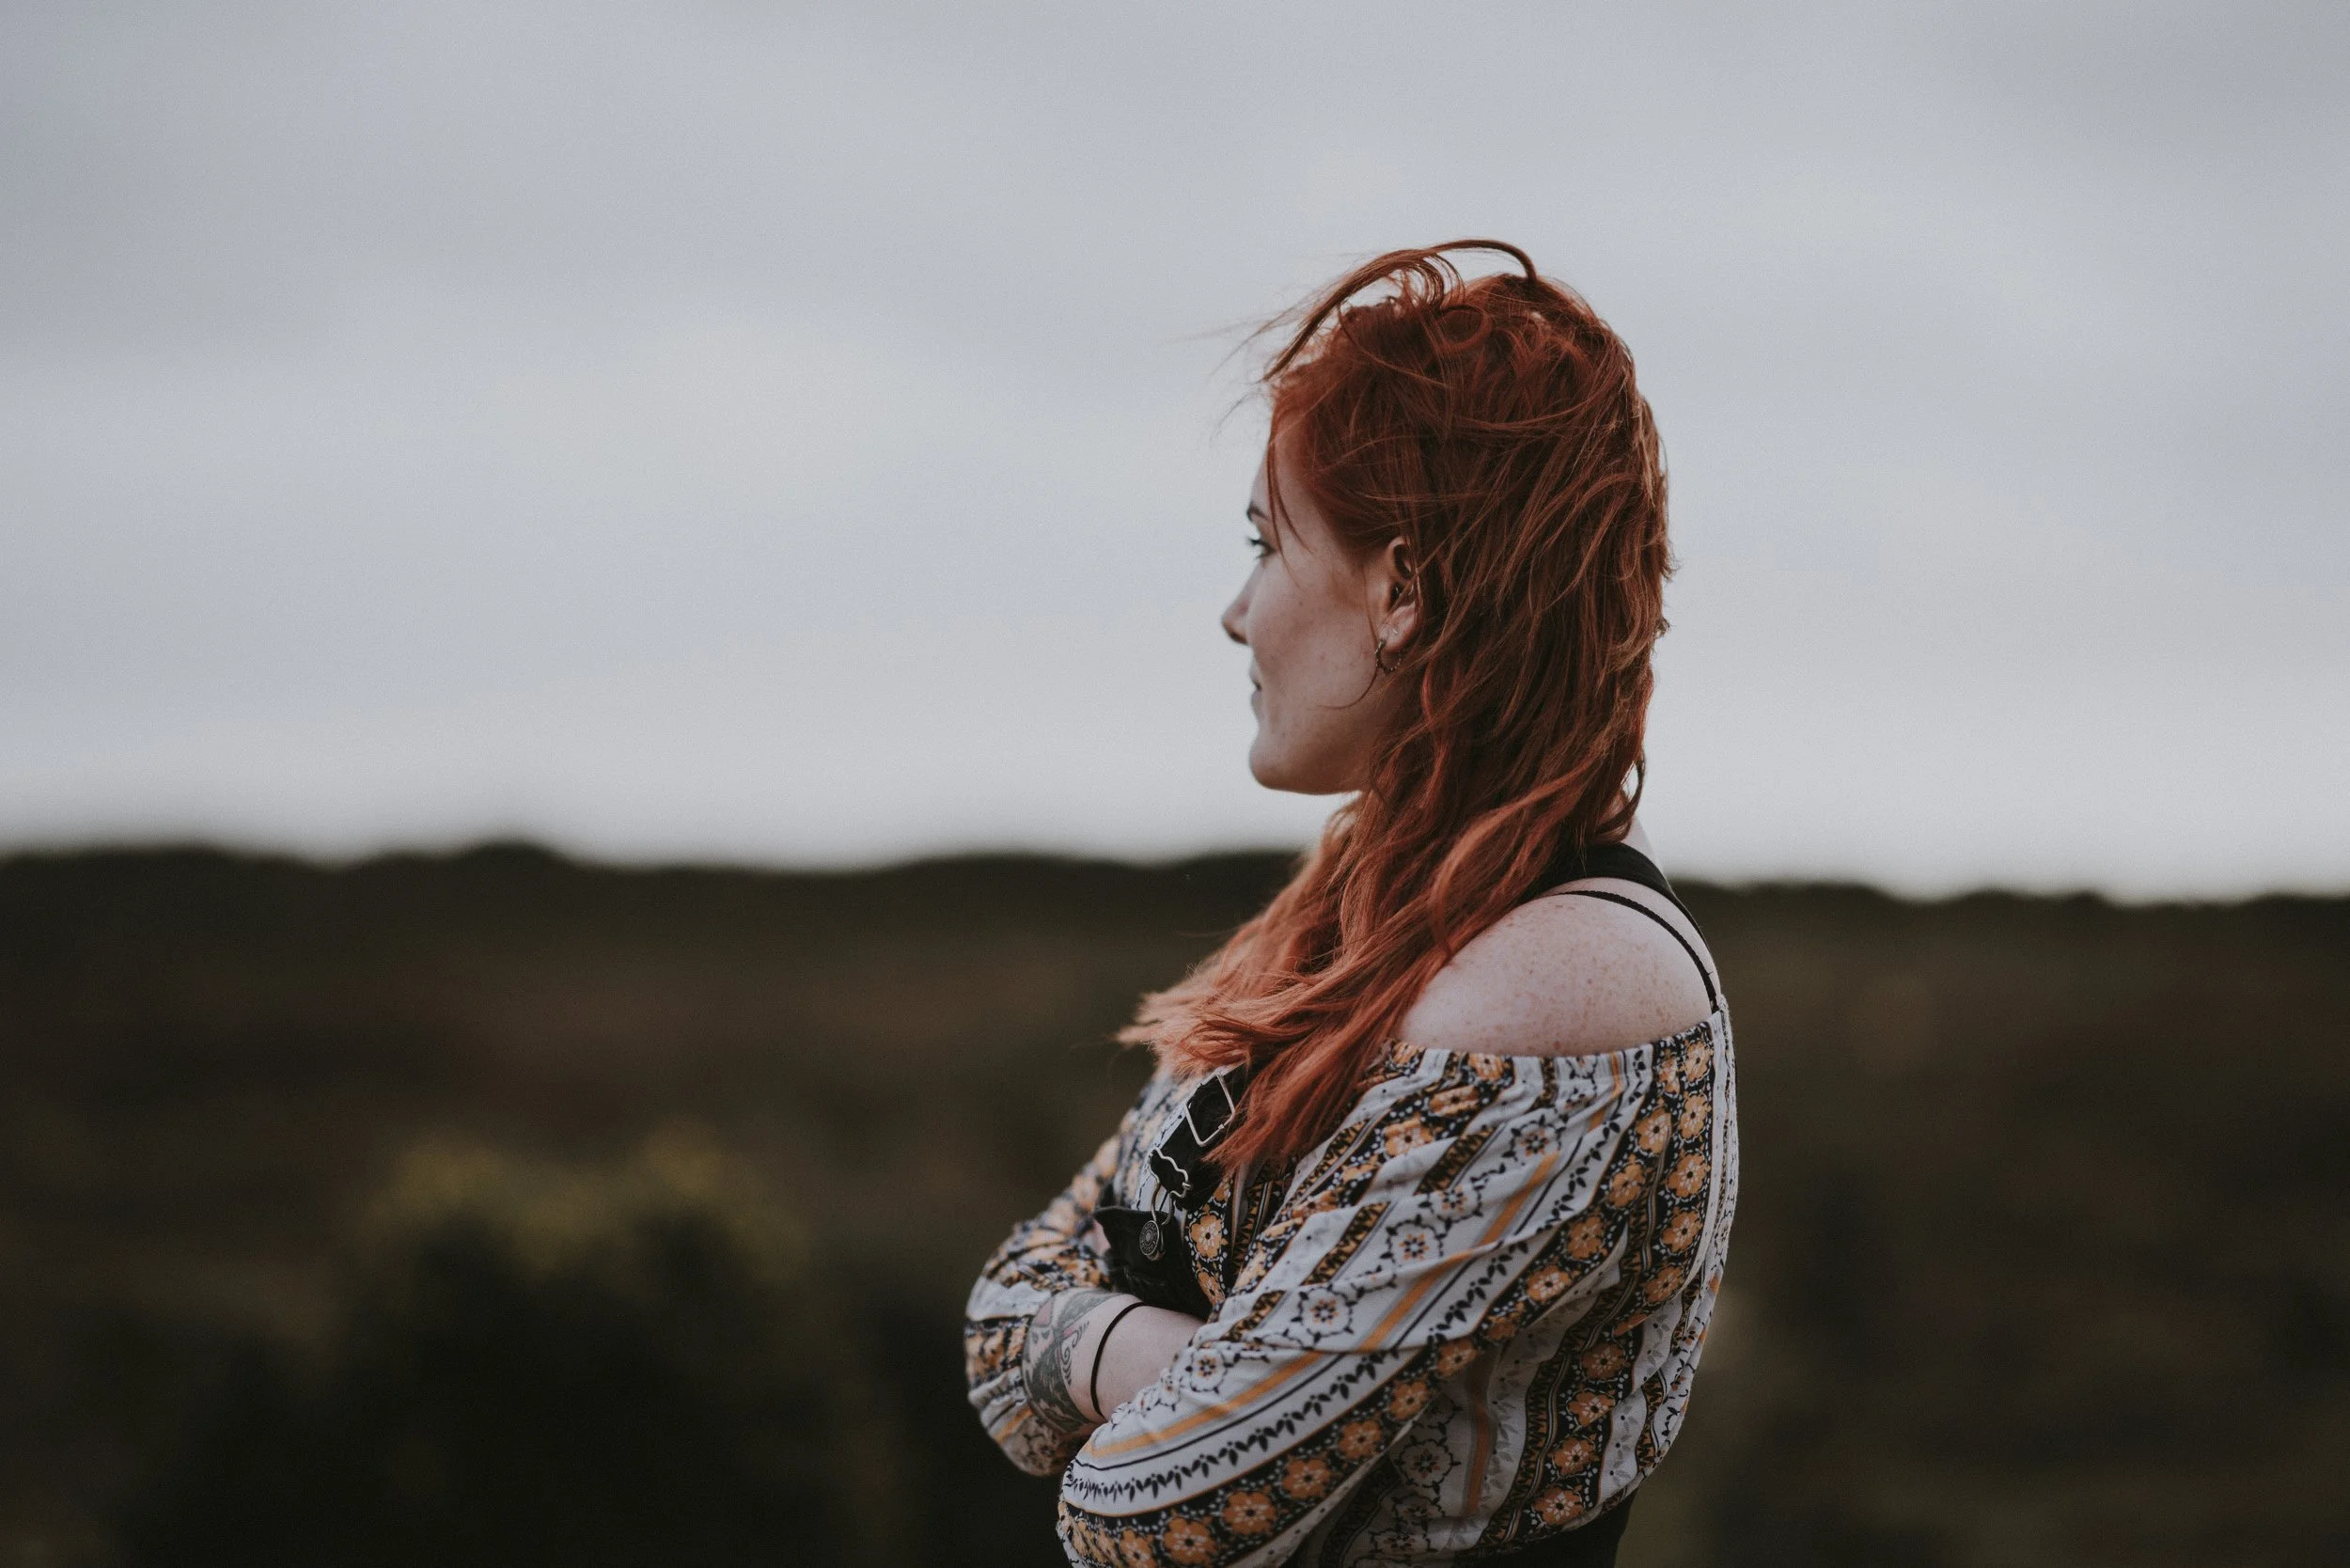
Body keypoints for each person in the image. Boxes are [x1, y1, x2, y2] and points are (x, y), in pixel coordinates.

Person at [964, 241, 1735, 1567]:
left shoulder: (1555, 996)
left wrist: (1097, 1350)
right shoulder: (1363, 915)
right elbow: (998, 1320)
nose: (1234, 613)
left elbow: (1148, 1516)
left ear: (1403, 590)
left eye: (1268, 546)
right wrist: (1165, 1361)